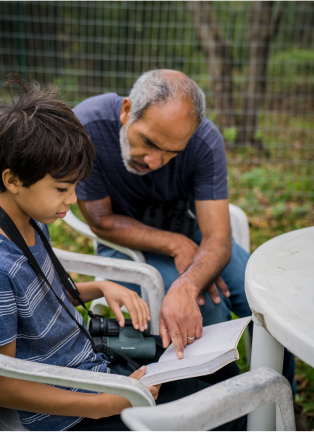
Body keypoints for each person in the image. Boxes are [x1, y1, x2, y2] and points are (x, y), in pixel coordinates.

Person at [0, 74, 245, 431]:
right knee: (226, 415)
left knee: (220, 397)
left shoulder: (33, 221)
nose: (73, 200)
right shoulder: (4, 260)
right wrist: (103, 405)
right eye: (63, 188)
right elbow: (5, 381)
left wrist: (99, 288)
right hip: (74, 411)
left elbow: (40, 302)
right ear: (13, 180)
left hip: (91, 371)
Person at [74, 68, 295, 390]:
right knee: (211, 313)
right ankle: (218, 406)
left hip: (190, 233)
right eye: (148, 142)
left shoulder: (205, 141)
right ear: (125, 112)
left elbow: (218, 236)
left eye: (171, 152)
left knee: (263, 299)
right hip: (123, 241)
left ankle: (281, 399)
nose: (154, 161)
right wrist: (176, 245)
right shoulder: (89, 126)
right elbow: (101, 220)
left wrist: (187, 284)